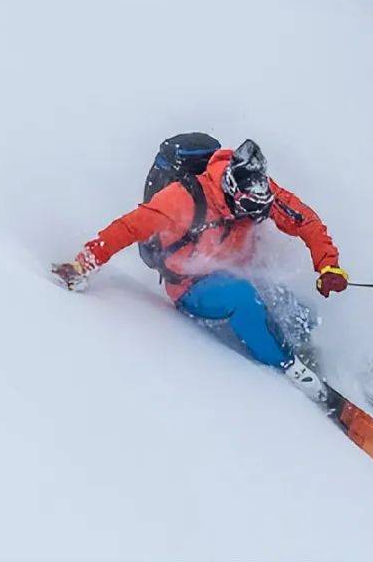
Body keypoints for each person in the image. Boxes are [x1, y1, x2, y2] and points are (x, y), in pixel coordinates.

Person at [51, 139, 349, 396]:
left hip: (236, 268)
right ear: (232, 191)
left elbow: (304, 220)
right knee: (244, 298)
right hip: (192, 285)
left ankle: (311, 352)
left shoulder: (258, 192)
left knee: (301, 313)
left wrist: (328, 267)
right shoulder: (183, 200)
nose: (257, 214)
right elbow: (129, 227)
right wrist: (84, 263)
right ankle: (290, 368)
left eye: (261, 207)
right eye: (249, 208)